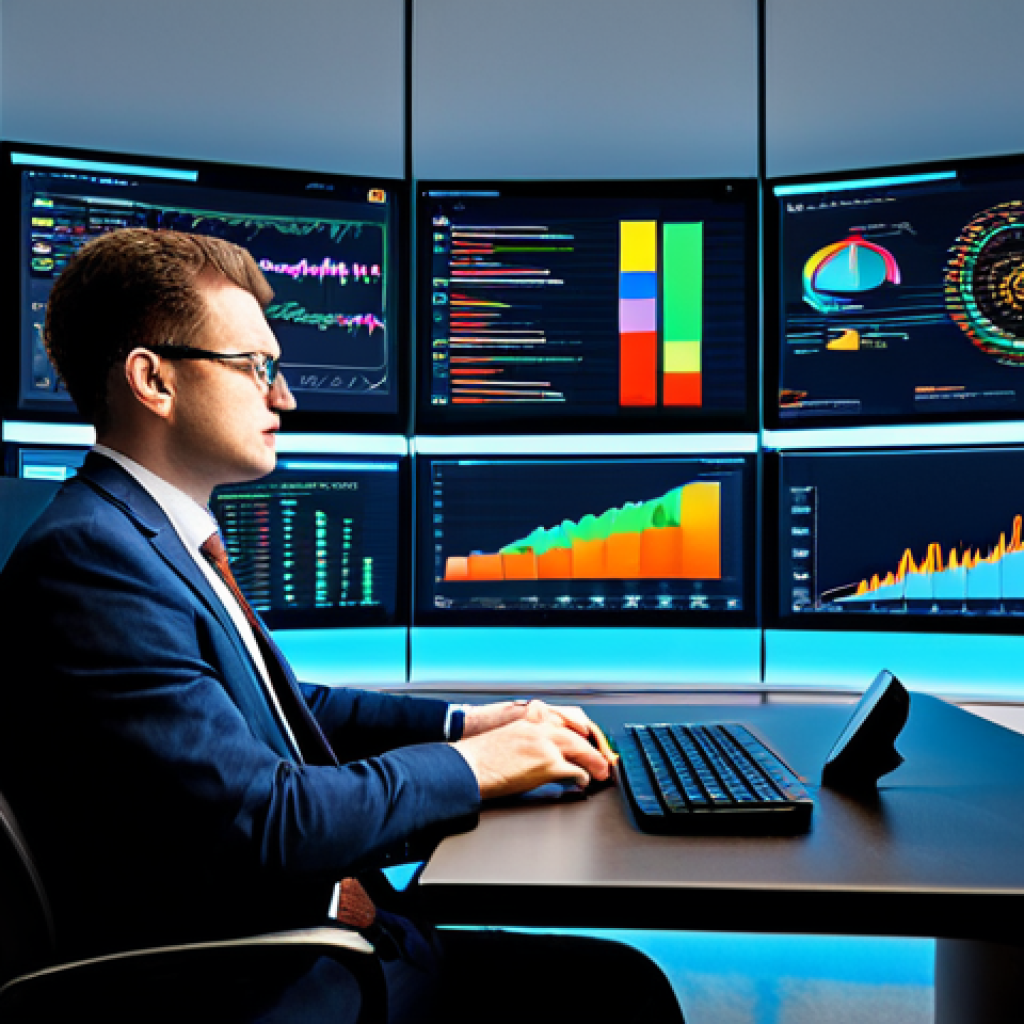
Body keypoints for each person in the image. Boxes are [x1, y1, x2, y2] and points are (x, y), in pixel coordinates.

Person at [0, 228, 684, 1023]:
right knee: (619, 994)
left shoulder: (143, 536)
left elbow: (292, 712)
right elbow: (269, 820)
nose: (283, 397)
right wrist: (474, 767)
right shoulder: (93, 560)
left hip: (315, 940)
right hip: (267, 984)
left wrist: (470, 722)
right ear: (153, 380)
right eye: (256, 368)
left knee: (613, 980)